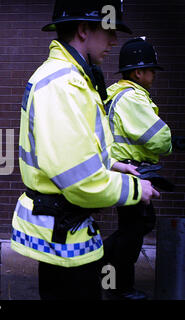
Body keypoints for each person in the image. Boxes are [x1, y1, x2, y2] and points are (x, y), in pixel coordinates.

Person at [10, 0, 160, 300]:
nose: (114, 41)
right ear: (83, 30)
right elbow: (81, 180)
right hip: (66, 239)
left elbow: (78, 148)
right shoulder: (65, 84)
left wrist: (115, 166)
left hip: (67, 232)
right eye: (109, 31)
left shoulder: (71, 76)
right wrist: (135, 189)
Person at [103, 37, 172, 300]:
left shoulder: (116, 92)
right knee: (134, 229)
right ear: (137, 72)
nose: (154, 74)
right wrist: (170, 142)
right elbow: (159, 138)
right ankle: (115, 282)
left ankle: (111, 277)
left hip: (123, 168)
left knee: (135, 226)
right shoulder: (132, 98)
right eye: (151, 69)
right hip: (131, 170)